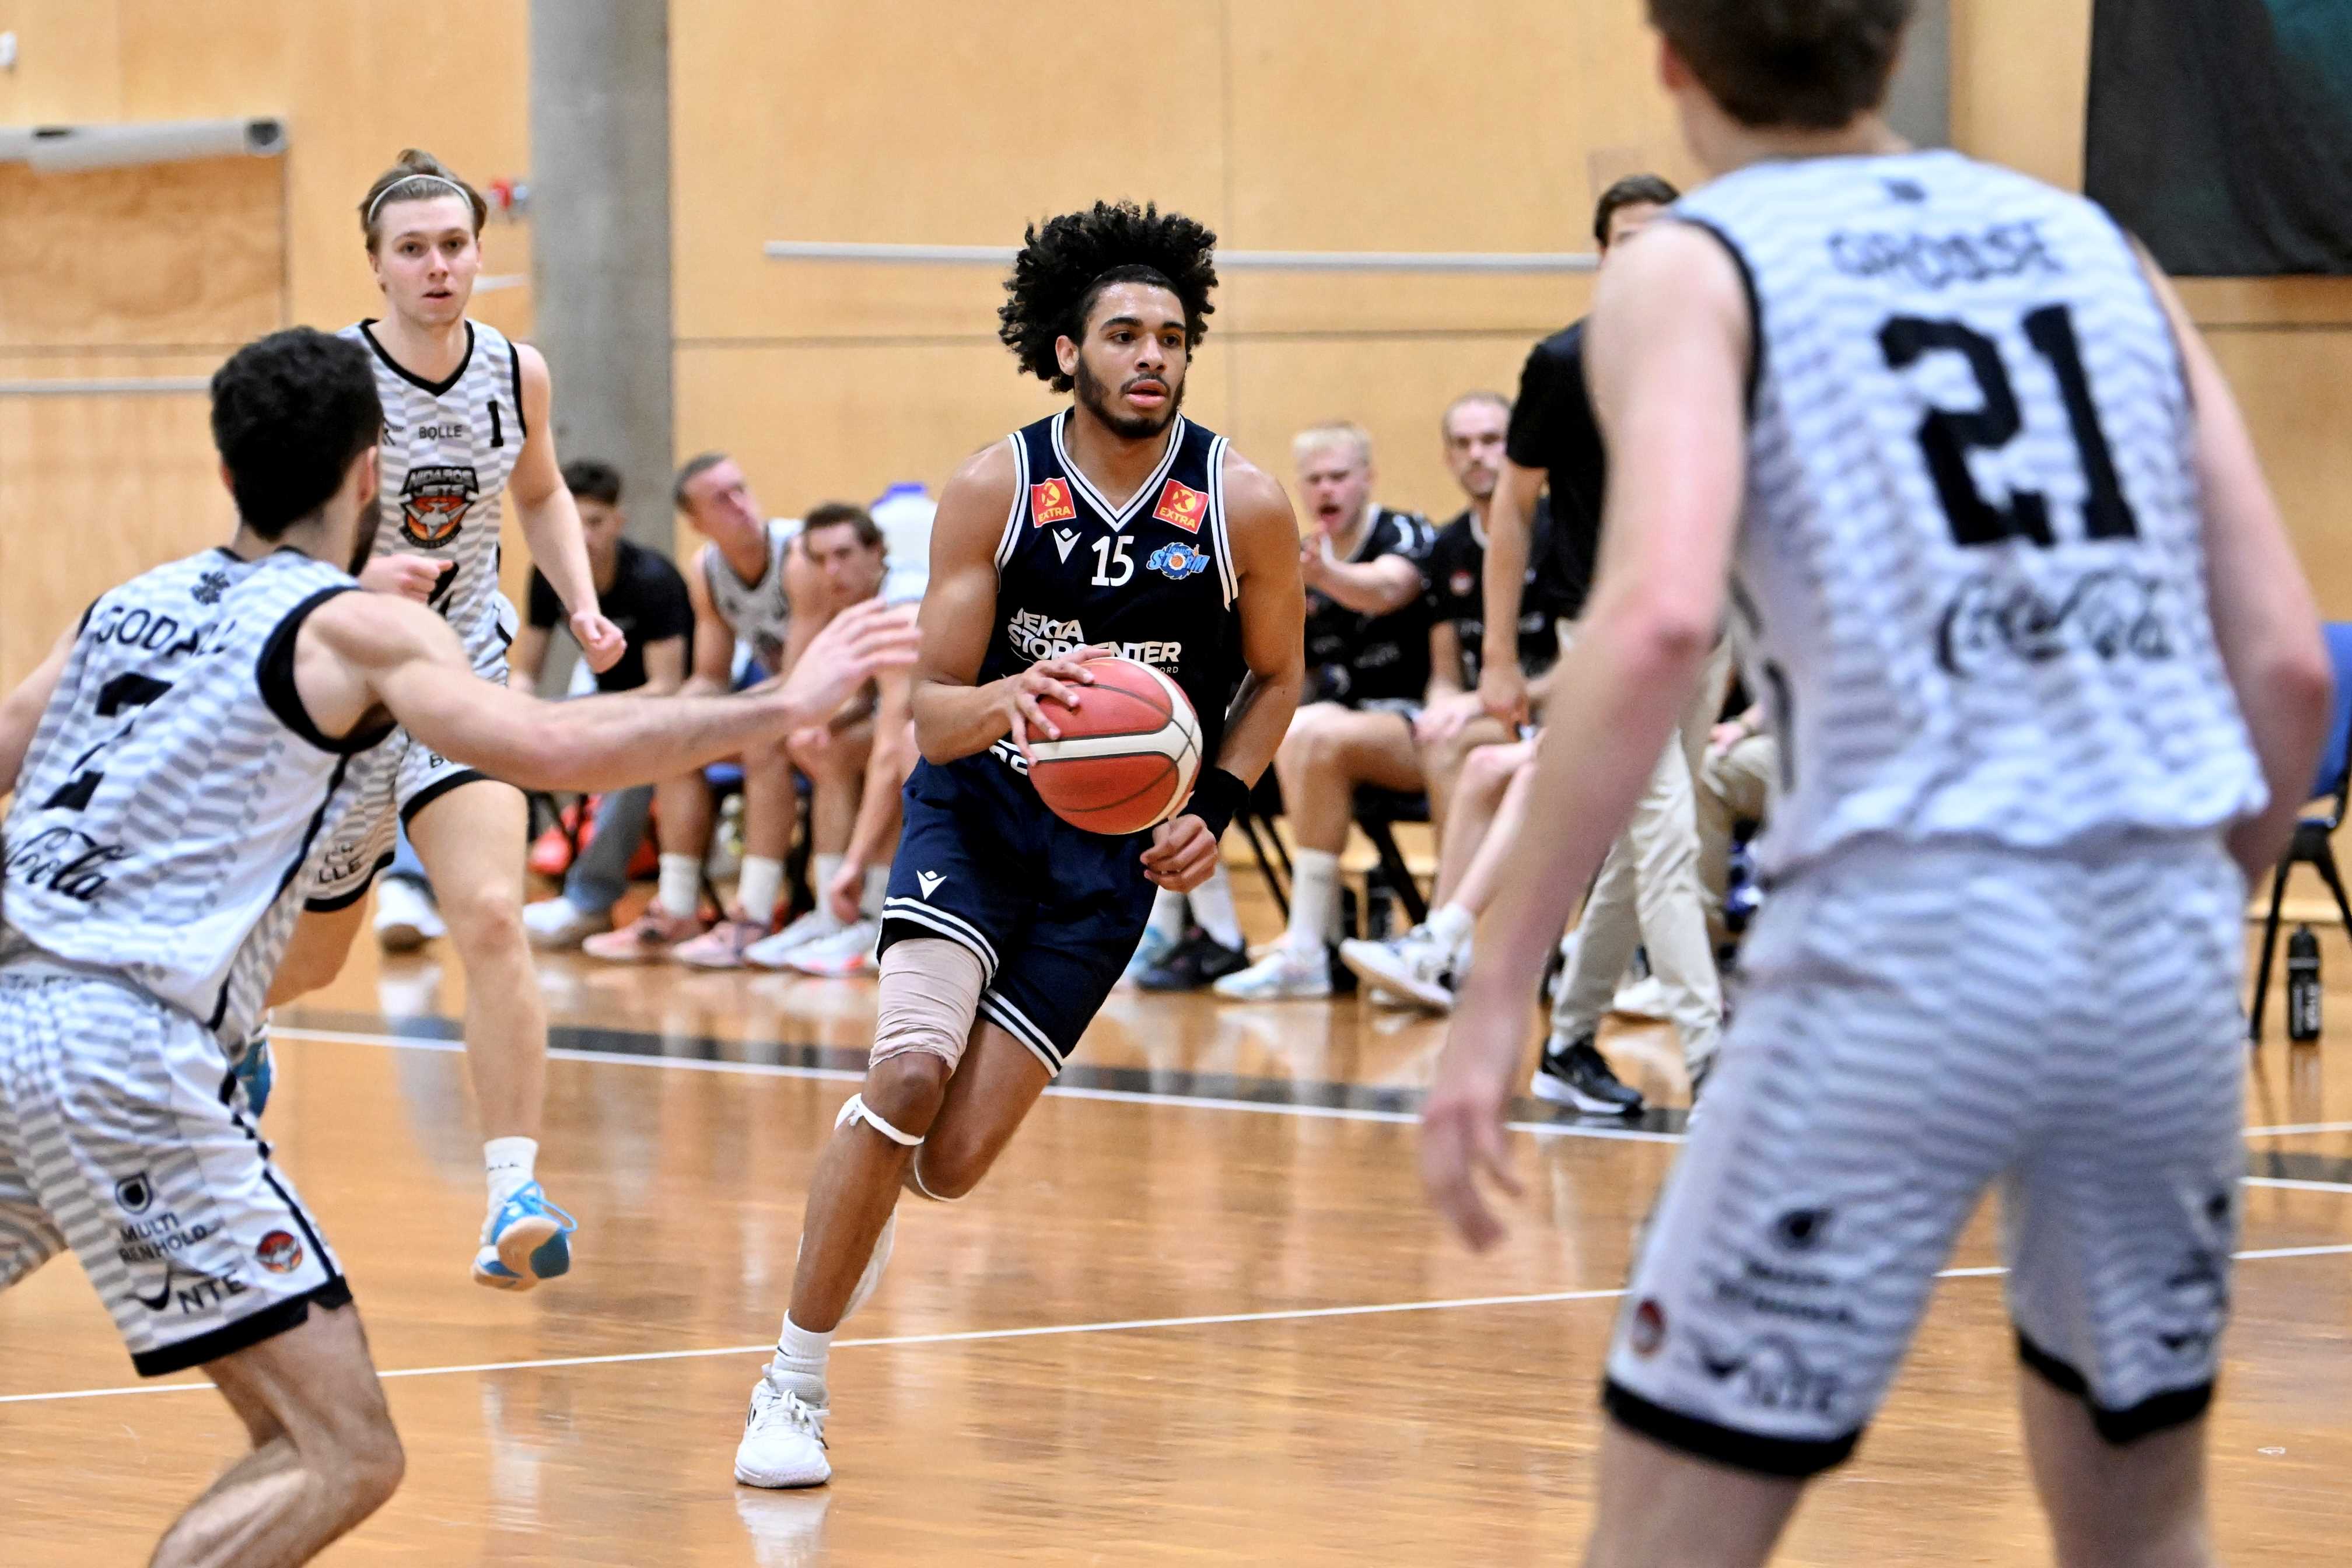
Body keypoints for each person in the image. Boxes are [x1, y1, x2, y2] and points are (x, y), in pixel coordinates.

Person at [1423, 3, 2332, 1564]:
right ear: (1898, 38)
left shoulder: (1688, 266)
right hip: (2161, 940)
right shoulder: (2096, 247)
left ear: (1671, 58)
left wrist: (1495, 983)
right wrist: (2172, 917)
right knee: (2147, 1529)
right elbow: (2291, 674)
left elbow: (1651, 618)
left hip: (1907, 946)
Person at [0, 328, 915, 1566]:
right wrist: (786, 706)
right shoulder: (360, 631)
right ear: (371, 473)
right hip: (129, 1061)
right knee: (344, 1454)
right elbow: (540, 750)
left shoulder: (123, 607)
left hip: (12, 1015)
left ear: (226, 476)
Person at [731, 200, 1307, 1489]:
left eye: (1170, 335)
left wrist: (1213, 806)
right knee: (912, 1069)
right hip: (979, 813)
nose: (1150, 355)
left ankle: (866, 1184)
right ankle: (793, 1388)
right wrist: (1009, 704)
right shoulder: (998, 487)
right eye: (1122, 335)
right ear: (1067, 351)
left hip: (1110, 862)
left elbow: (1276, 680)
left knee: (948, 1163)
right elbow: (929, 716)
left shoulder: (1243, 503)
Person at [258, 150, 628, 1294]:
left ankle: (512, 1187)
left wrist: (578, 601)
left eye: (454, 245)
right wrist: (361, 582)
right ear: (374, 266)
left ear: (479, 252)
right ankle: (229, 1024)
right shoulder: (331, 381)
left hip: (462, 682)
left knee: (492, 917)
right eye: (412, 249)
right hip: (347, 694)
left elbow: (542, 492)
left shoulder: (518, 372)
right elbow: (276, 541)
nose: (437, 265)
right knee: (312, 964)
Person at [1478, 170, 1724, 1109]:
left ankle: (1569, 1043)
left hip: (1707, 628)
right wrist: (1501, 655)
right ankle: (1715, 1066)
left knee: (1635, 851)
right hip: (1606, 628)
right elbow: (1513, 506)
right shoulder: (1564, 363)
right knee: (1666, 835)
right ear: (1602, 253)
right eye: (1630, 238)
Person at [1336, 389, 1580, 1014]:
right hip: (1489, 717)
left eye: (1492, 440)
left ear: (1519, 447)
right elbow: (1445, 670)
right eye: (1465, 444)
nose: (1479, 455)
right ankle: (1444, 942)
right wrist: (1447, 703)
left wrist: (1476, 705)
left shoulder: (1560, 531)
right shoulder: (1448, 548)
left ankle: (1449, 939)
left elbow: (1578, 665)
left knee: (1468, 745)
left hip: (1558, 717)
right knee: (1449, 739)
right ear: (1447, 457)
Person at [1210, 422, 1434, 1000]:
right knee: (1203, 745)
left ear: (1367, 479)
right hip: (1331, 734)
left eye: (1339, 476)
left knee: (1311, 732)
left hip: (1421, 725)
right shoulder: (1305, 564)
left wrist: (1323, 574)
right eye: (1314, 480)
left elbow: (1388, 590)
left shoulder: (1402, 533)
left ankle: (1306, 949)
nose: (1327, 490)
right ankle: (1206, 938)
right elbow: (1294, 674)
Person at [582, 453, 824, 968]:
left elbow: (804, 680)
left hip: (844, 701)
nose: (738, 504)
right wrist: (674, 720)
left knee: (761, 739)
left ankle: (753, 914)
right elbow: (711, 677)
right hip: (780, 703)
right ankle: (677, 910)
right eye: (720, 499)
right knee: (681, 742)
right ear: (696, 523)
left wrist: (723, 717)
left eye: (740, 488)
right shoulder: (707, 570)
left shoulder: (799, 554)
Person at [743, 501, 929, 978]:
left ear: (878, 553)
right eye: (820, 559)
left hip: (974, 733)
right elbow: (856, 698)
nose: (833, 571)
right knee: (823, 745)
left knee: (904, 754)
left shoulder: (899, 615)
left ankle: (873, 908)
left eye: (844, 555)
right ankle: (833, 915)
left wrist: (855, 860)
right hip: (920, 724)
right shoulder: (855, 605)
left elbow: (890, 749)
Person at [519, 459, 696, 949]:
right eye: (572, 523)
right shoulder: (547, 576)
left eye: (595, 522)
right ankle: (478, 895)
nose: (584, 535)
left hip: (669, 713)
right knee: (474, 743)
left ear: (618, 521)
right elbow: (525, 671)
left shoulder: (653, 579)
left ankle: (590, 902)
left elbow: (666, 686)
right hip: (605, 705)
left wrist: (590, 712)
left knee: (635, 763)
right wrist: (514, 712)